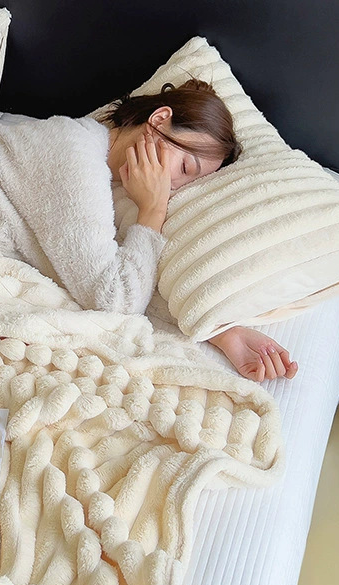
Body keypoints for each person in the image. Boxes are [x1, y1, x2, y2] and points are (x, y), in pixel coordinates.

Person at [97, 79, 298, 384]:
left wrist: (223, 333)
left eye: (188, 182)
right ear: (159, 120)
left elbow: (129, 276)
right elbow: (115, 301)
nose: (171, 187)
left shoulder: (117, 194)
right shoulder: (73, 150)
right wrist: (153, 210)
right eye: (185, 168)